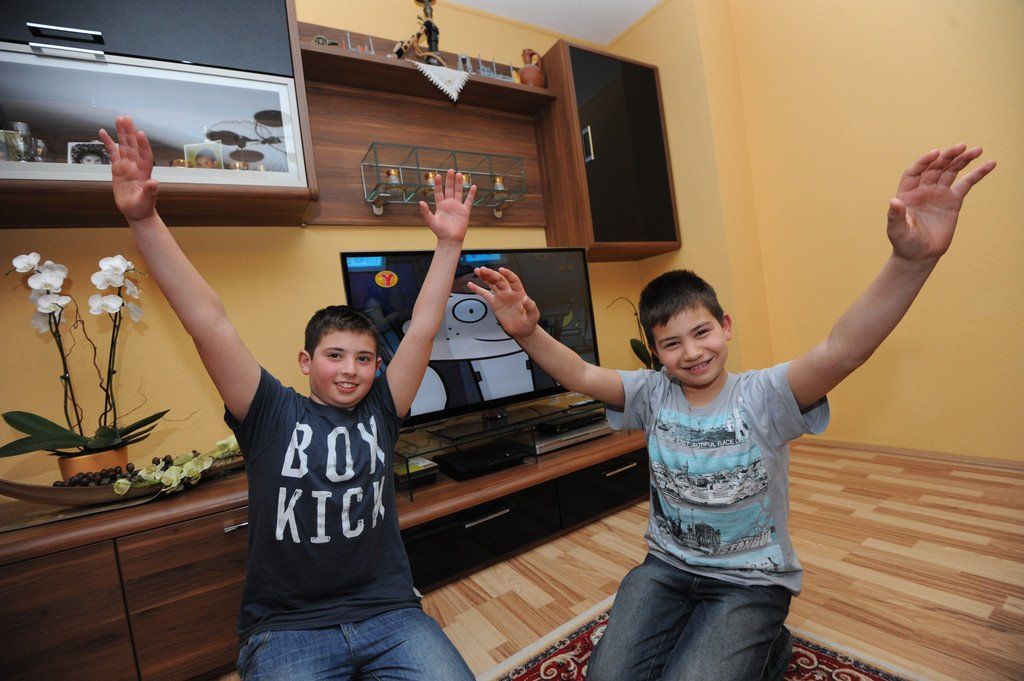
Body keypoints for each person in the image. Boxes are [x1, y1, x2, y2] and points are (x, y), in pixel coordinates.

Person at [468, 144, 995, 680]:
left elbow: (842, 351)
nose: (692, 352)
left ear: (725, 326)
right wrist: (529, 333)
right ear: (656, 353)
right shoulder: (650, 394)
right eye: (671, 343)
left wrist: (911, 261)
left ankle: (770, 644)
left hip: (750, 581)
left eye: (701, 332)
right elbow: (580, 375)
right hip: (666, 569)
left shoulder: (765, 397)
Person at [98, 116, 478, 681]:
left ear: (378, 367)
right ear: (305, 362)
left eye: (364, 359)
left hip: (388, 613)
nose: (350, 370)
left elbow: (422, 328)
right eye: (335, 355)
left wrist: (448, 245)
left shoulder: (383, 409)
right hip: (287, 629)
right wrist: (144, 219)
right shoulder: (270, 412)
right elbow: (209, 323)